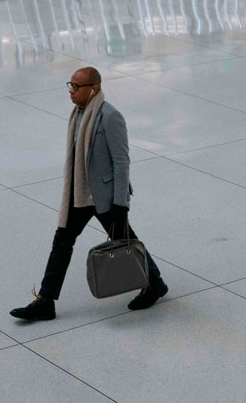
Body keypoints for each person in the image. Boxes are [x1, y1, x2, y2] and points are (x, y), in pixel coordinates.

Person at [10, 67, 167, 321]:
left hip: (104, 197)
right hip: (80, 193)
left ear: (92, 89)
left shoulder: (110, 116)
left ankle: (155, 284)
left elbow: (122, 161)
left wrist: (120, 204)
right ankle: (46, 301)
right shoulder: (78, 114)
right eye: (69, 85)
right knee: (62, 241)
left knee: (125, 241)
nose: (70, 91)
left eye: (76, 86)